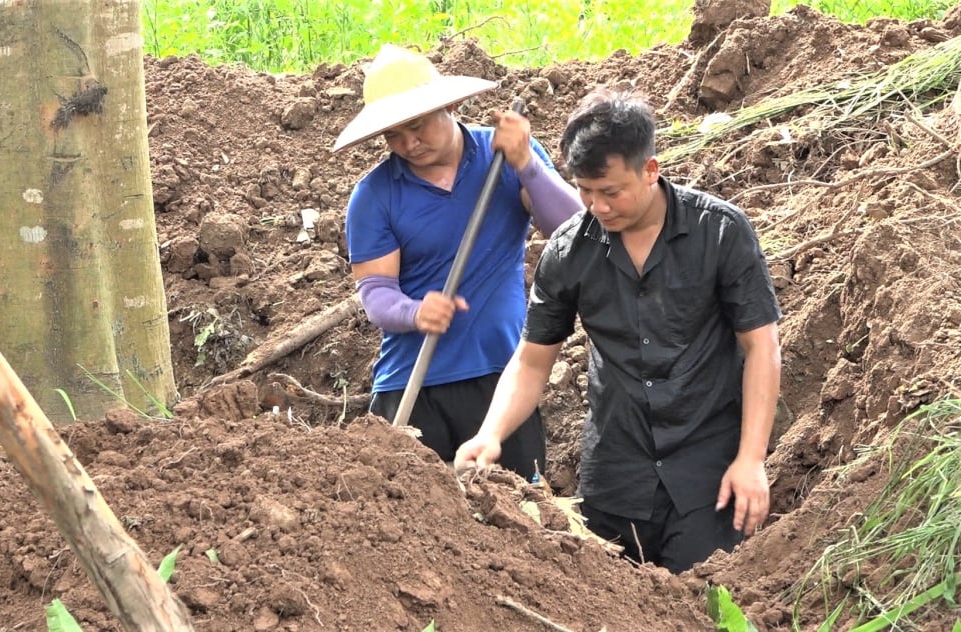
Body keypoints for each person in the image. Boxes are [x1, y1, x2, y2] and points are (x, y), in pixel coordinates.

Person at [454, 88, 783, 574]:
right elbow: (531, 359)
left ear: (650, 170)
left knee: (702, 602)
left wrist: (751, 459)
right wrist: (491, 433)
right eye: (585, 191)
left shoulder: (719, 232)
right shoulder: (569, 250)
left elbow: (762, 347)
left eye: (610, 191)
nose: (597, 206)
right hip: (614, 472)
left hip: (707, 473)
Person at [333, 44, 584, 481]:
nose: (408, 143)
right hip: (410, 385)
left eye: (416, 125)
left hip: (502, 380)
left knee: (519, 516)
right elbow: (375, 293)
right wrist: (415, 311)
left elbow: (573, 230)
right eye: (393, 134)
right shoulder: (373, 197)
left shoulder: (505, 157)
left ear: (449, 105)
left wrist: (527, 166)